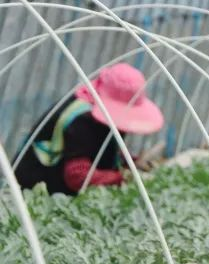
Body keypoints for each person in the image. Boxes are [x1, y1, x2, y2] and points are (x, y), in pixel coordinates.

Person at [15, 63, 164, 196]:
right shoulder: (83, 120)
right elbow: (77, 176)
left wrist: (130, 162)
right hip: (35, 192)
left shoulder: (98, 110)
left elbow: (99, 150)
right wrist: (124, 177)